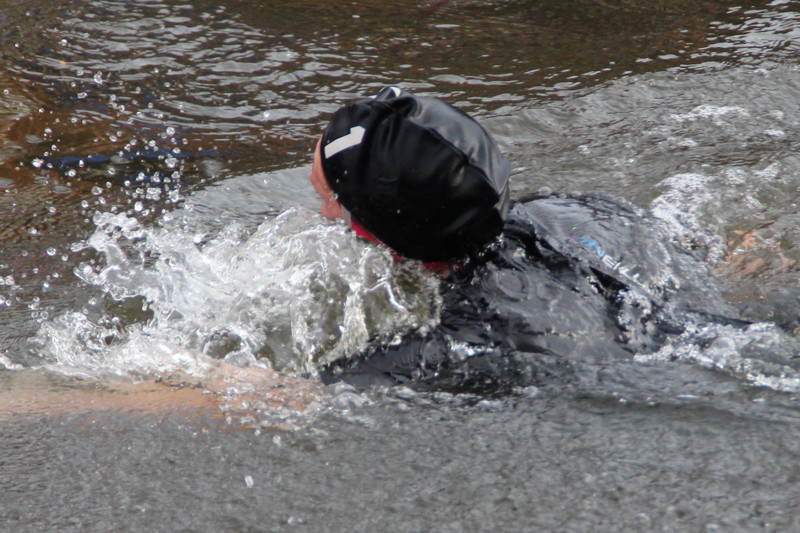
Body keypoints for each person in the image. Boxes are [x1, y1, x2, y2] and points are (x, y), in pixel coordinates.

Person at [310, 86, 742, 391]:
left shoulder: (440, 346)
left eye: (326, 197)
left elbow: (305, 396)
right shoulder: (582, 212)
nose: (323, 212)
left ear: (367, 232)